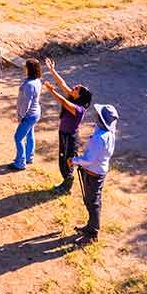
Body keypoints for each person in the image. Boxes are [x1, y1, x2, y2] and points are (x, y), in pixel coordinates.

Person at [43, 57, 94, 193]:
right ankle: (65, 184)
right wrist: (52, 70)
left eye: (76, 89)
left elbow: (64, 103)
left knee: (68, 160)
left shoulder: (78, 109)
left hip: (70, 137)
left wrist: (51, 90)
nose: (74, 88)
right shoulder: (74, 98)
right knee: (62, 158)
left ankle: (67, 187)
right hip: (64, 134)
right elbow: (62, 84)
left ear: (80, 96)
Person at [70, 104, 119, 246]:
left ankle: (92, 234)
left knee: (93, 204)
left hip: (94, 173)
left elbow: (89, 160)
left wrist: (74, 161)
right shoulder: (108, 134)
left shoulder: (99, 137)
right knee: (92, 201)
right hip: (97, 172)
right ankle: (90, 227)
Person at [11, 59, 42, 170]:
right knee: (29, 134)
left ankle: (20, 163)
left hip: (28, 115)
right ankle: (29, 157)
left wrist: (20, 116)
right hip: (35, 113)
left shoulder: (29, 85)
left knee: (18, 137)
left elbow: (26, 104)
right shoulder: (37, 81)